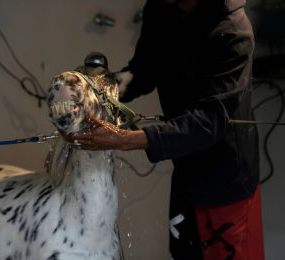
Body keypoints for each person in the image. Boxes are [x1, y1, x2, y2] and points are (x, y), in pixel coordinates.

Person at [63, 0, 265, 259]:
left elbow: (209, 122)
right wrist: (106, 91)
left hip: (227, 180)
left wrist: (125, 139)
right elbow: (146, 68)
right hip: (186, 168)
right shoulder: (162, 8)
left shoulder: (233, 32)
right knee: (184, 251)